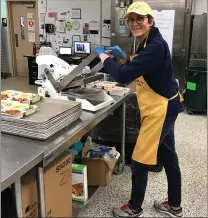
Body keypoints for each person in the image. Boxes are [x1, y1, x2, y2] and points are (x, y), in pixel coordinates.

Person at [95, 1, 184, 218]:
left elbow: (125, 75)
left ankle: (135, 209)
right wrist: (124, 58)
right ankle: (175, 207)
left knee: (140, 160)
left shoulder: (155, 46)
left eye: (140, 19)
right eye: (131, 20)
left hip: (160, 110)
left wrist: (106, 59)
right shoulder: (146, 42)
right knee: (169, 157)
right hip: (166, 106)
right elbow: (140, 67)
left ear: (150, 21)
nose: (135, 24)